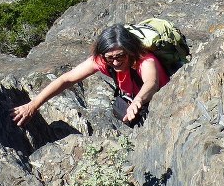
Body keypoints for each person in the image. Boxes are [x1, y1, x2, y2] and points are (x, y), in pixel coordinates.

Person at [12, 24, 169, 128]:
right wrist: (33, 105)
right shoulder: (102, 60)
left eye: (120, 56)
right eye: (110, 58)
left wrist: (138, 101)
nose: (115, 62)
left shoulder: (144, 59)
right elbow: (66, 79)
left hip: (162, 103)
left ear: (130, 50)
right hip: (136, 103)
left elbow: (151, 82)